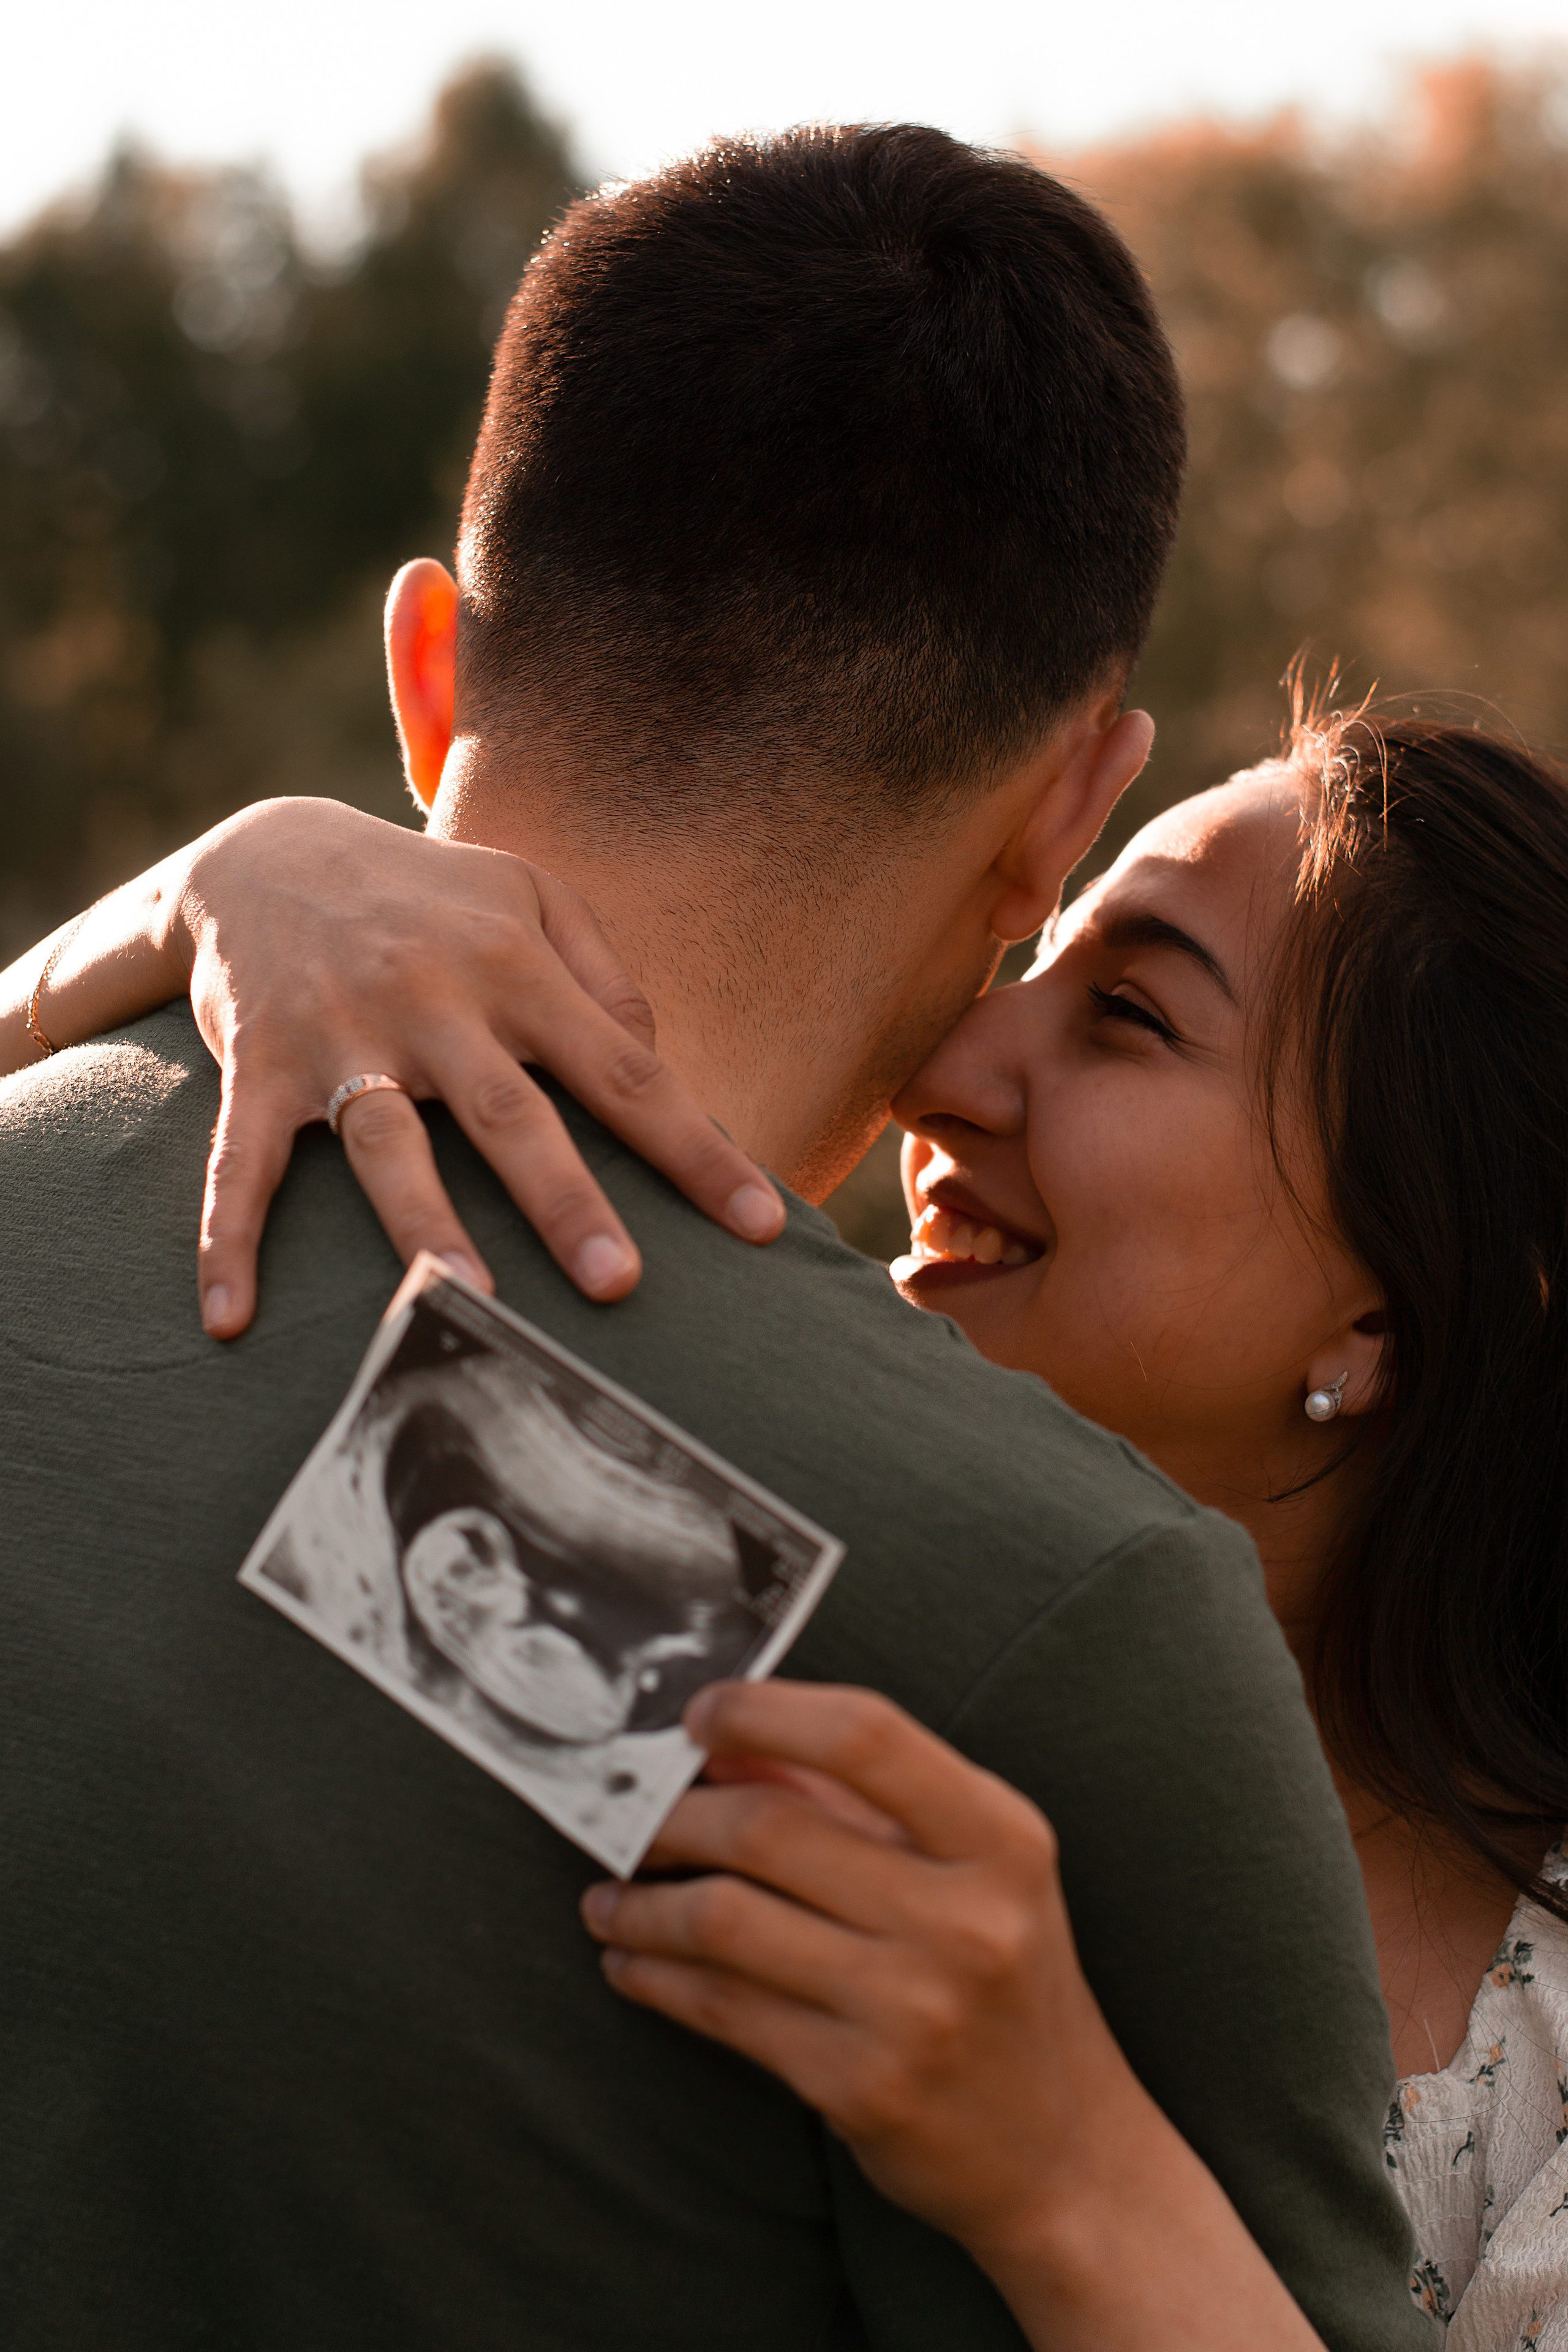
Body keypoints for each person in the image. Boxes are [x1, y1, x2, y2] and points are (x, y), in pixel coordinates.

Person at [0, 127, 1428, 2352]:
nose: (998, 1080)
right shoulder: (1023, 1624)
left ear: (426, 663)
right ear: (1067, 806)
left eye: (1148, 1025)